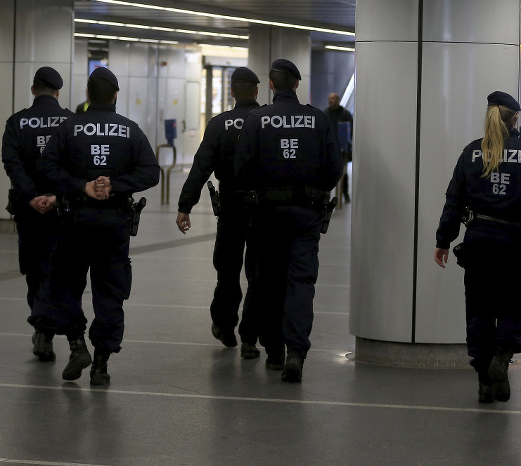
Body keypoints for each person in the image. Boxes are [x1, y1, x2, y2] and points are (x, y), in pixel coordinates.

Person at [433, 91, 521, 404]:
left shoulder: (472, 152)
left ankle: (483, 381)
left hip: (478, 240)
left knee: (479, 308)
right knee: (515, 302)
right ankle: (502, 355)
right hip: (514, 242)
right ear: (515, 117)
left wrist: (443, 240)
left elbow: (454, 201)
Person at [35, 66, 160, 386]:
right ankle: (101, 364)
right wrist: (115, 185)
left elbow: (46, 168)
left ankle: (77, 344)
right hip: (114, 223)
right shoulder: (130, 130)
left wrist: (81, 186)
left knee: (64, 285)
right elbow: (150, 173)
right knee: (110, 292)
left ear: (88, 96)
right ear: (116, 95)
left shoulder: (68, 128)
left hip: (74, 220)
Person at [234, 59, 344, 382]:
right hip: (306, 215)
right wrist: (313, 191)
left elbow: (242, 169)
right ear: (297, 84)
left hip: (266, 216)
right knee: (300, 282)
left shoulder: (256, 119)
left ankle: (275, 351)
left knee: (268, 281)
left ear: (270, 85)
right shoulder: (319, 119)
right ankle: (296, 351)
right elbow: (335, 168)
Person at [176, 67, 262, 358]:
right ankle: (251, 337)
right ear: (257, 91)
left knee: (227, 270)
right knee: (258, 272)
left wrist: (185, 206)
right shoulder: (267, 121)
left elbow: (200, 166)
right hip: (263, 207)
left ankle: (224, 326)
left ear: (232, 92)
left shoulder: (219, 124)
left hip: (231, 206)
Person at [1, 67, 73, 362]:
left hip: (28, 211)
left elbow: (11, 164)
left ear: (33, 90)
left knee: (34, 268)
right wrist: (56, 195)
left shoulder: (17, 122)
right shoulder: (71, 121)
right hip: (62, 209)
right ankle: (46, 326)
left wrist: (31, 197)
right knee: (57, 269)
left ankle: (42, 326)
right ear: (57, 91)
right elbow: (75, 164)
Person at [325, 92, 353, 202]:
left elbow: (350, 130)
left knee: (343, 172)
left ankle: (345, 193)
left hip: (343, 148)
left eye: (333, 98)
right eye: (329, 98)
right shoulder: (325, 113)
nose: (330, 100)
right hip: (329, 149)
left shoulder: (345, 114)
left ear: (338, 100)